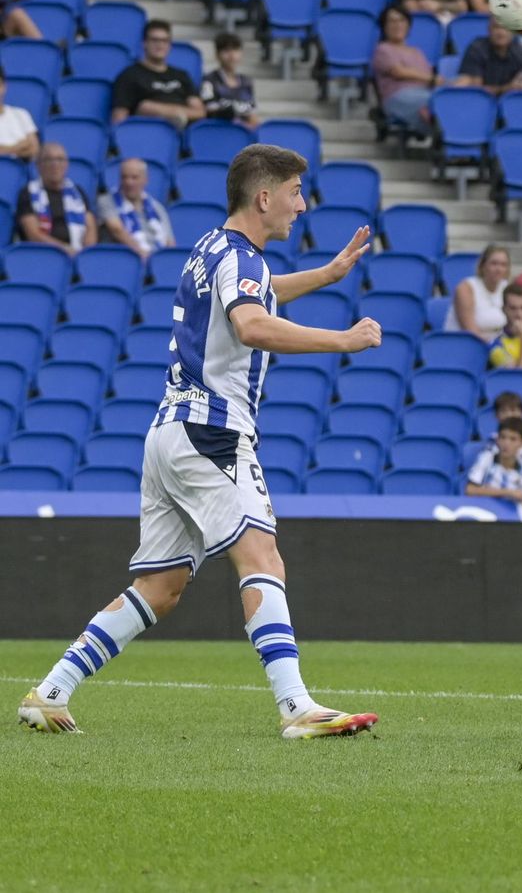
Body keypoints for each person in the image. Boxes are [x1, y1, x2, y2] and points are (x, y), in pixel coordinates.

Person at [17, 144, 385, 739]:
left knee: (159, 589)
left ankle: (51, 691)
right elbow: (252, 322)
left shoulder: (212, 247)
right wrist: (341, 340)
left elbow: (254, 294)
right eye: (294, 192)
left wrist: (326, 274)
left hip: (168, 432)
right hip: (213, 431)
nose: (302, 204)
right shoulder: (242, 258)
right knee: (262, 555)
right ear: (263, 197)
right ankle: (296, 707)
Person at [111, 19, 205, 127]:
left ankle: (173, 122)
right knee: (145, 107)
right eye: (155, 40)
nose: (160, 45)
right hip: (146, 133)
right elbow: (119, 119)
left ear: (170, 45)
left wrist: (168, 112)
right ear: (144, 43)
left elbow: (200, 111)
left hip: (183, 132)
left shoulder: (181, 75)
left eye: (164, 41)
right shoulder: (129, 75)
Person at [17, 142, 98, 253]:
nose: (55, 164)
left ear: (66, 164)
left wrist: (85, 253)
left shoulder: (77, 192)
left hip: (79, 254)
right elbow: (33, 234)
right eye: (49, 160)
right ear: (38, 165)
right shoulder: (28, 193)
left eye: (60, 159)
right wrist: (65, 250)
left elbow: (90, 227)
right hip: (44, 254)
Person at [370, 6, 435, 133]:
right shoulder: (383, 49)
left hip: (423, 94)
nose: (397, 25)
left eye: (401, 21)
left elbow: (429, 77)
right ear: (384, 26)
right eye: (392, 21)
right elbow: (398, 71)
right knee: (433, 101)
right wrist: (431, 78)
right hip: (397, 97)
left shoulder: (417, 52)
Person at [97, 156, 172, 258]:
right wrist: (143, 255)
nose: (129, 182)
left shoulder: (157, 207)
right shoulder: (107, 201)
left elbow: (169, 241)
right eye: (124, 177)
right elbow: (117, 230)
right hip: (124, 261)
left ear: (145, 180)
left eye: (134, 177)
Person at [446, 244, 511, 341]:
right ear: (482, 266)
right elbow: (470, 331)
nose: (498, 269)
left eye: (503, 265)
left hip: (497, 346)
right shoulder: (465, 288)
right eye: (494, 263)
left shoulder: (507, 287)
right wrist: (495, 347)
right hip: (466, 344)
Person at [455, 21, 522, 96]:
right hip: (480, 103)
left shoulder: (518, 51)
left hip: (509, 104)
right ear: (489, 30)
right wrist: (505, 89)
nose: (501, 32)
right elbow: (477, 91)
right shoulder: (477, 48)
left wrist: (518, 85)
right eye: (496, 27)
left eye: (506, 28)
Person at [199, 32, 260, 128]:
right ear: (217, 54)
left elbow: (252, 115)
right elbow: (210, 110)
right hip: (219, 131)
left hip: (244, 133)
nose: (232, 55)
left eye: (235, 50)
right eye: (226, 51)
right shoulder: (209, 80)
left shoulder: (246, 82)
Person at [0, 65, 39, 160]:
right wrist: (19, 146)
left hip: (20, 173)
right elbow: (27, 145)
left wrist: (4, 150)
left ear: (4, 86)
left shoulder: (21, 114)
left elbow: (34, 149)